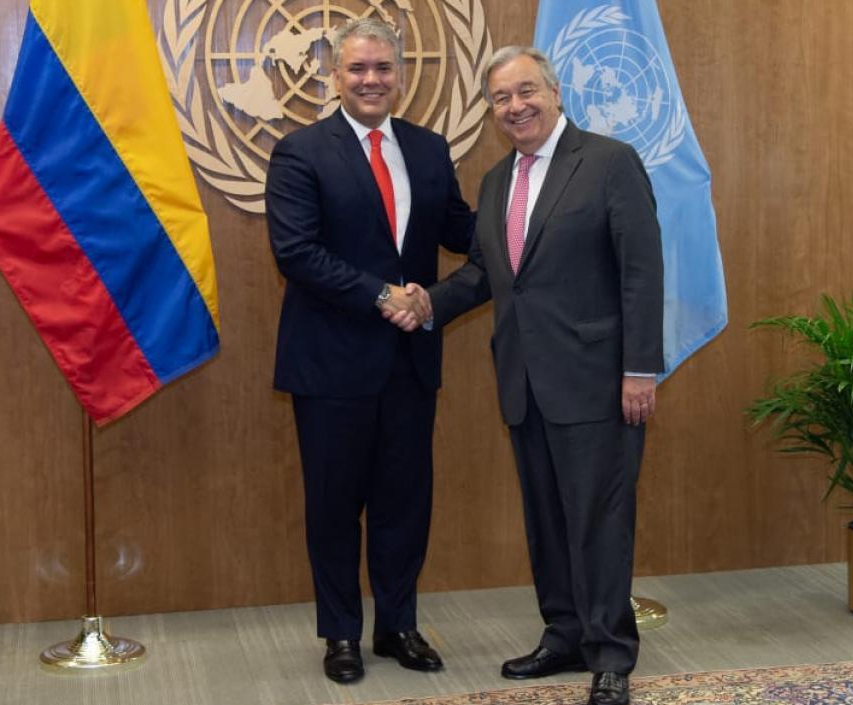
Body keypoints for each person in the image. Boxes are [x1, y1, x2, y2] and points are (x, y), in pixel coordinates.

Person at [394, 46, 662, 705]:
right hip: (523, 379)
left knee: (599, 519)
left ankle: (610, 655)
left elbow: (641, 270)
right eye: (501, 99)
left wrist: (638, 368)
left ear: (555, 91)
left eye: (525, 91)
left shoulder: (608, 162)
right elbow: (490, 274)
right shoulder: (495, 182)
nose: (515, 106)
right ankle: (563, 633)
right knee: (545, 516)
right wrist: (430, 301)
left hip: (597, 379)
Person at [264, 17, 474, 685]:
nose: (371, 79)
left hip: (409, 363)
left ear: (401, 75)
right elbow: (295, 252)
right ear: (335, 76)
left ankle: (398, 625)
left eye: (382, 68)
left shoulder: (430, 148)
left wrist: (533, 203)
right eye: (357, 69)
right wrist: (385, 294)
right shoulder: (300, 151)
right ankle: (340, 633)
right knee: (333, 504)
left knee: (405, 500)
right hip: (330, 362)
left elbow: (465, 231)